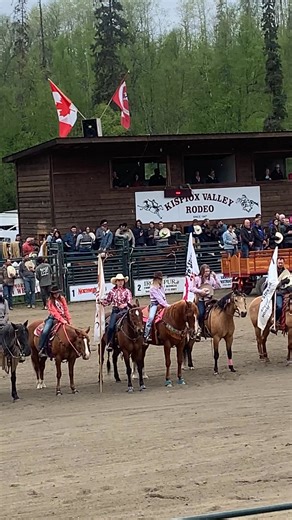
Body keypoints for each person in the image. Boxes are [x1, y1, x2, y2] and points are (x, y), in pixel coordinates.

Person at [99, 274, 132, 351]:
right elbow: (108, 301)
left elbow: (129, 302)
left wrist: (124, 305)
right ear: (116, 282)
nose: (120, 282)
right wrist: (101, 302)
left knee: (135, 322)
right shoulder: (112, 291)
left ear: (124, 281)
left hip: (125, 311)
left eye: (122, 280)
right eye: (119, 281)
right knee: (110, 326)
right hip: (115, 311)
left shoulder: (127, 291)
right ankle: (110, 342)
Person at [38, 286, 72, 358]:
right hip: (53, 318)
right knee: (45, 331)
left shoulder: (62, 299)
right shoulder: (50, 301)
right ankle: (41, 348)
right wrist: (62, 320)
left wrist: (68, 320)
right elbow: (54, 312)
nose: (56, 295)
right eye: (54, 293)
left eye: (57, 293)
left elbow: (66, 309)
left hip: (63, 317)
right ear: (52, 294)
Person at [190, 264, 221, 331]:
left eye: (208, 271)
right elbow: (191, 288)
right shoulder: (197, 279)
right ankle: (198, 327)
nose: (207, 273)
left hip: (210, 299)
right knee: (200, 313)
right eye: (206, 271)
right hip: (200, 300)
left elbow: (218, 286)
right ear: (202, 271)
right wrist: (200, 291)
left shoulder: (211, 279)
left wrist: (216, 278)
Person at [144, 271, 170, 343]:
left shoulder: (161, 287)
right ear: (156, 279)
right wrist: (167, 306)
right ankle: (146, 335)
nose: (161, 280)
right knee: (151, 318)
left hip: (163, 304)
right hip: (154, 304)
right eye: (159, 279)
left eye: (161, 279)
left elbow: (163, 298)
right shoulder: (152, 288)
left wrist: (166, 304)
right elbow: (159, 299)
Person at [270, 258, 292, 334]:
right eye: (279, 263)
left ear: (283, 263)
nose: (280, 264)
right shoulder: (273, 273)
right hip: (277, 293)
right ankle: (275, 322)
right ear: (277, 263)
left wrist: (289, 286)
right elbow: (272, 284)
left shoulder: (286, 272)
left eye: (281, 263)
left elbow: (290, 281)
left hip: (286, 292)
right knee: (279, 306)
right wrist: (282, 282)